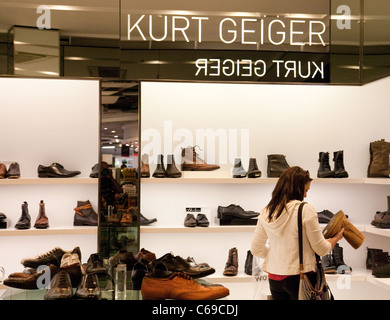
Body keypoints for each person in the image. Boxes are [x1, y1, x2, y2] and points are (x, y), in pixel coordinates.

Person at [250, 166, 344, 300]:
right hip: (301, 277)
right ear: (298, 188)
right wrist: (336, 238)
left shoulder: (266, 211)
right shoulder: (305, 209)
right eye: (305, 190)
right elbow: (321, 249)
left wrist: (279, 258)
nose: (305, 195)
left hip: (275, 279)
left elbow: (256, 248)